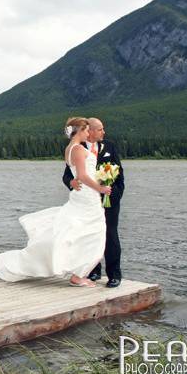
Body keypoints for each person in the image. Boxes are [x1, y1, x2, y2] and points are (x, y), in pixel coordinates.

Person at [0, 117, 111, 287]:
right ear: (78, 131)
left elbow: (79, 175)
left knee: (80, 231)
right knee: (95, 232)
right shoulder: (78, 149)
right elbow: (83, 176)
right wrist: (101, 189)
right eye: (86, 130)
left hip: (85, 195)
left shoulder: (70, 148)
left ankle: (78, 272)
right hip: (87, 196)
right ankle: (78, 276)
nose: (88, 133)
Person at [62, 118, 124, 288]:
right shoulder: (79, 149)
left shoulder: (109, 147)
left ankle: (114, 275)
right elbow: (68, 174)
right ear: (89, 131)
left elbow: (119, 172)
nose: (103, 132)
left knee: (110, 235)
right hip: (89, 197)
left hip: (109, 199)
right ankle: (93, 271)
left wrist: (115, 195)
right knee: (88, 233)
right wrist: (71, 183)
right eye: (100, 129)